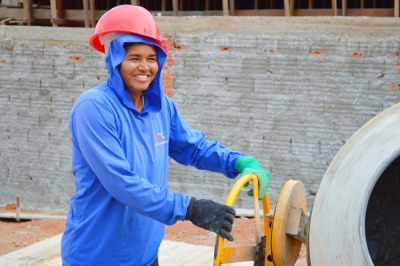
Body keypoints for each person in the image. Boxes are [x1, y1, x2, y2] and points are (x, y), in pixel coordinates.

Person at [61, 4, 270, 266]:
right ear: (114, 60)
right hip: (99, 256)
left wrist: (238, 162)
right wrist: (189, 208)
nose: (145, 67)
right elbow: (121, 183)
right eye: (134, 58)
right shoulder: (93, 108)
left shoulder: (161, 108)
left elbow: (193, 148)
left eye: (151, 58)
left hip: (146, 254)